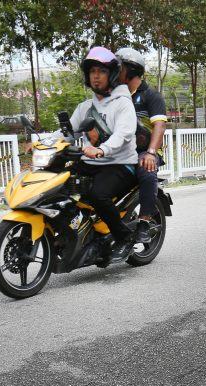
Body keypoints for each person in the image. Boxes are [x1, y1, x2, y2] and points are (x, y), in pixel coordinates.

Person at [68, 46, 138, 263]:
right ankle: (78, 232)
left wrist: (102, 149)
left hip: (120, 164)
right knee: (59, 184)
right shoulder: (85, 107)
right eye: (92, 72)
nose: (96, 76)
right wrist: (42, 143)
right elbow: (68, 132)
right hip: (92, 162)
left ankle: (124, 238)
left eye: (101, 71)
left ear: (112, 75)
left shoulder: (123, 104)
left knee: (98, 194)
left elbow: (123, 134)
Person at [115, 47, 167, 244]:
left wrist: (151, 153)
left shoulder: (151, 96)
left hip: (142, 152)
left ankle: (144, 221)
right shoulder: (114, 96)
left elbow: (159, 126)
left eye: (118, 69)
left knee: (146, 169)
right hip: (117, 151)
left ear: (132, 71)